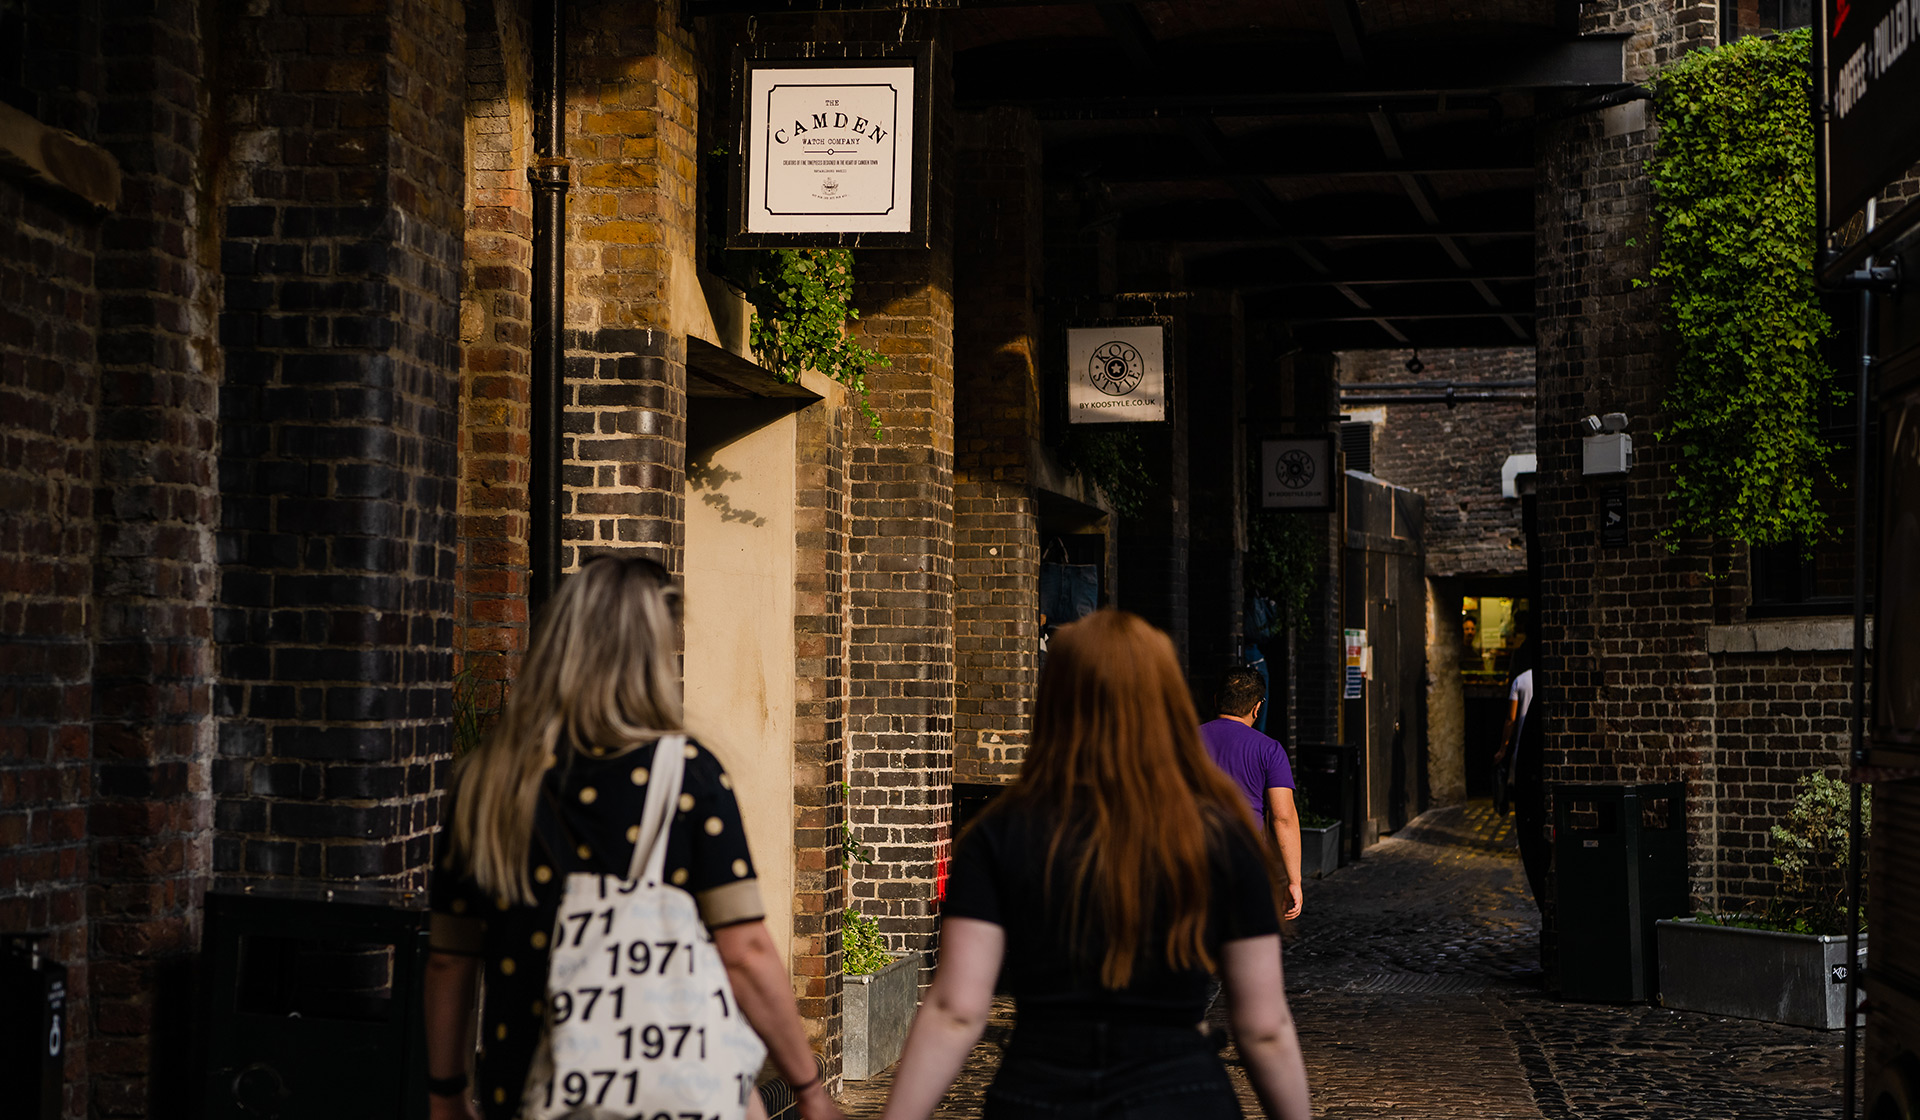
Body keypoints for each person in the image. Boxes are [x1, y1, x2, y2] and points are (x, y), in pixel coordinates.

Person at [422, 556, 846, 1120]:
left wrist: (446, 1092)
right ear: (651, 654)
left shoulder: (486, 781)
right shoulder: (687, 775)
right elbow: (744, 951)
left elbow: (450, 959)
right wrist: (809, 1090)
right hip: (670, 1091)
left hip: (525, 1087)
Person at [880, 611, 1312, 1120]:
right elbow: (1263, 1026)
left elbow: (955, 1009)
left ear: (1056, 699)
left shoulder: (1000, 833)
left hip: (1041, 1092)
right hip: (1180, 1093)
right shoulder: (1221, 837)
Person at [1199, 668, 1304, 921]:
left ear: (1216, 699)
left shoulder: (1185, 742)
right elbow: (1283, 817)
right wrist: (1294, 880)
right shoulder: (1269, 750)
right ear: (1257, 708)